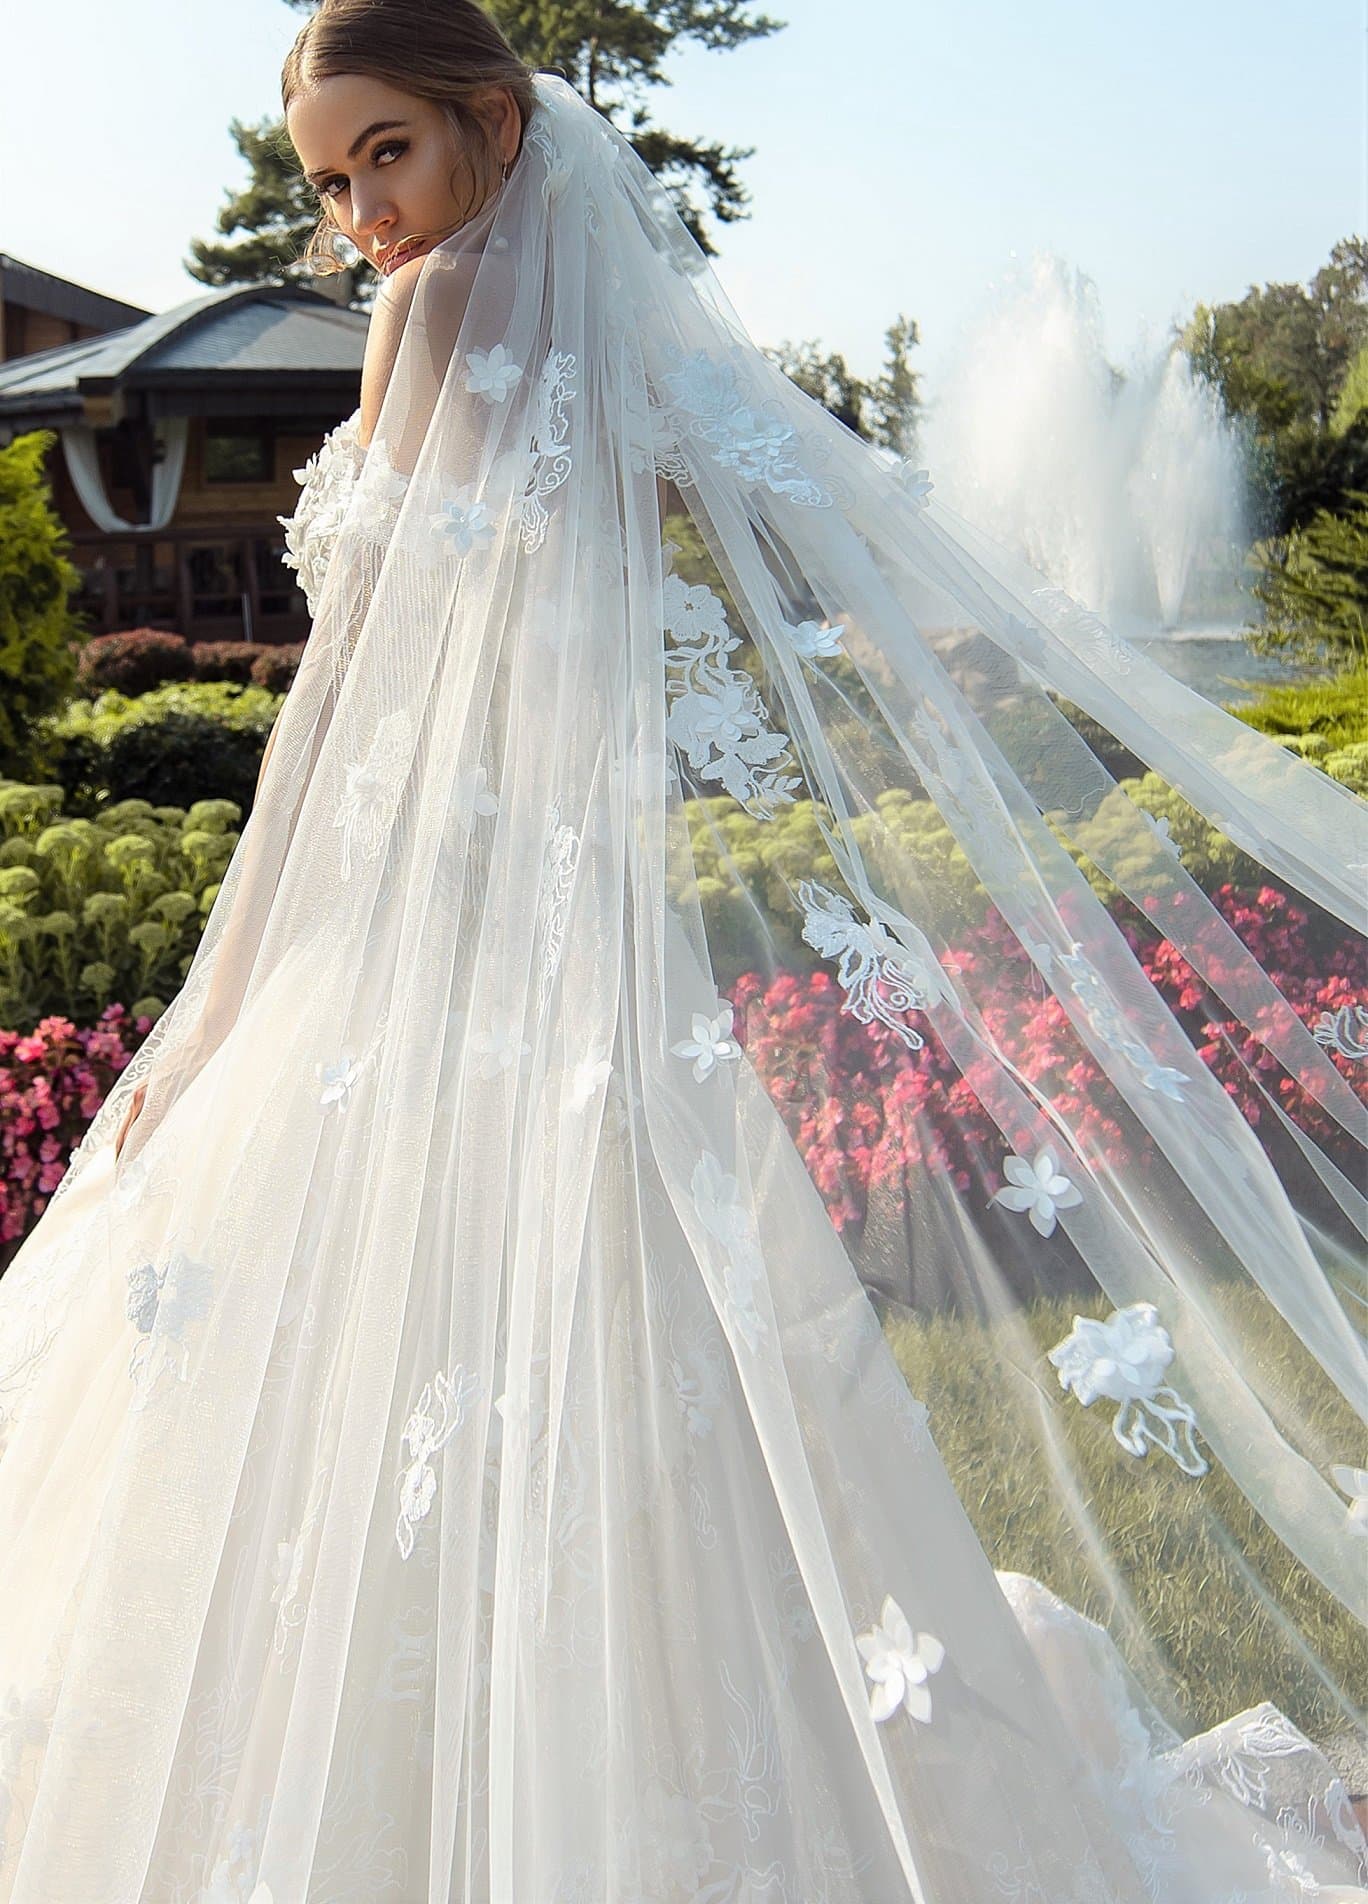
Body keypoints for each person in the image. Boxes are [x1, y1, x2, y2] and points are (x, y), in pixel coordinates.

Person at [1, 3, 1364, 1898]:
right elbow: (345, 700)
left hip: (561, 949)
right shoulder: (454, 323)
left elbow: (784, 539)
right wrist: (220, 1009)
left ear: (489, 119)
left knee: (615, 1352)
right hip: (405, 944)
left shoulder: (571, 327)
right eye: (328, 180)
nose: (361, 215)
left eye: (386, 152)